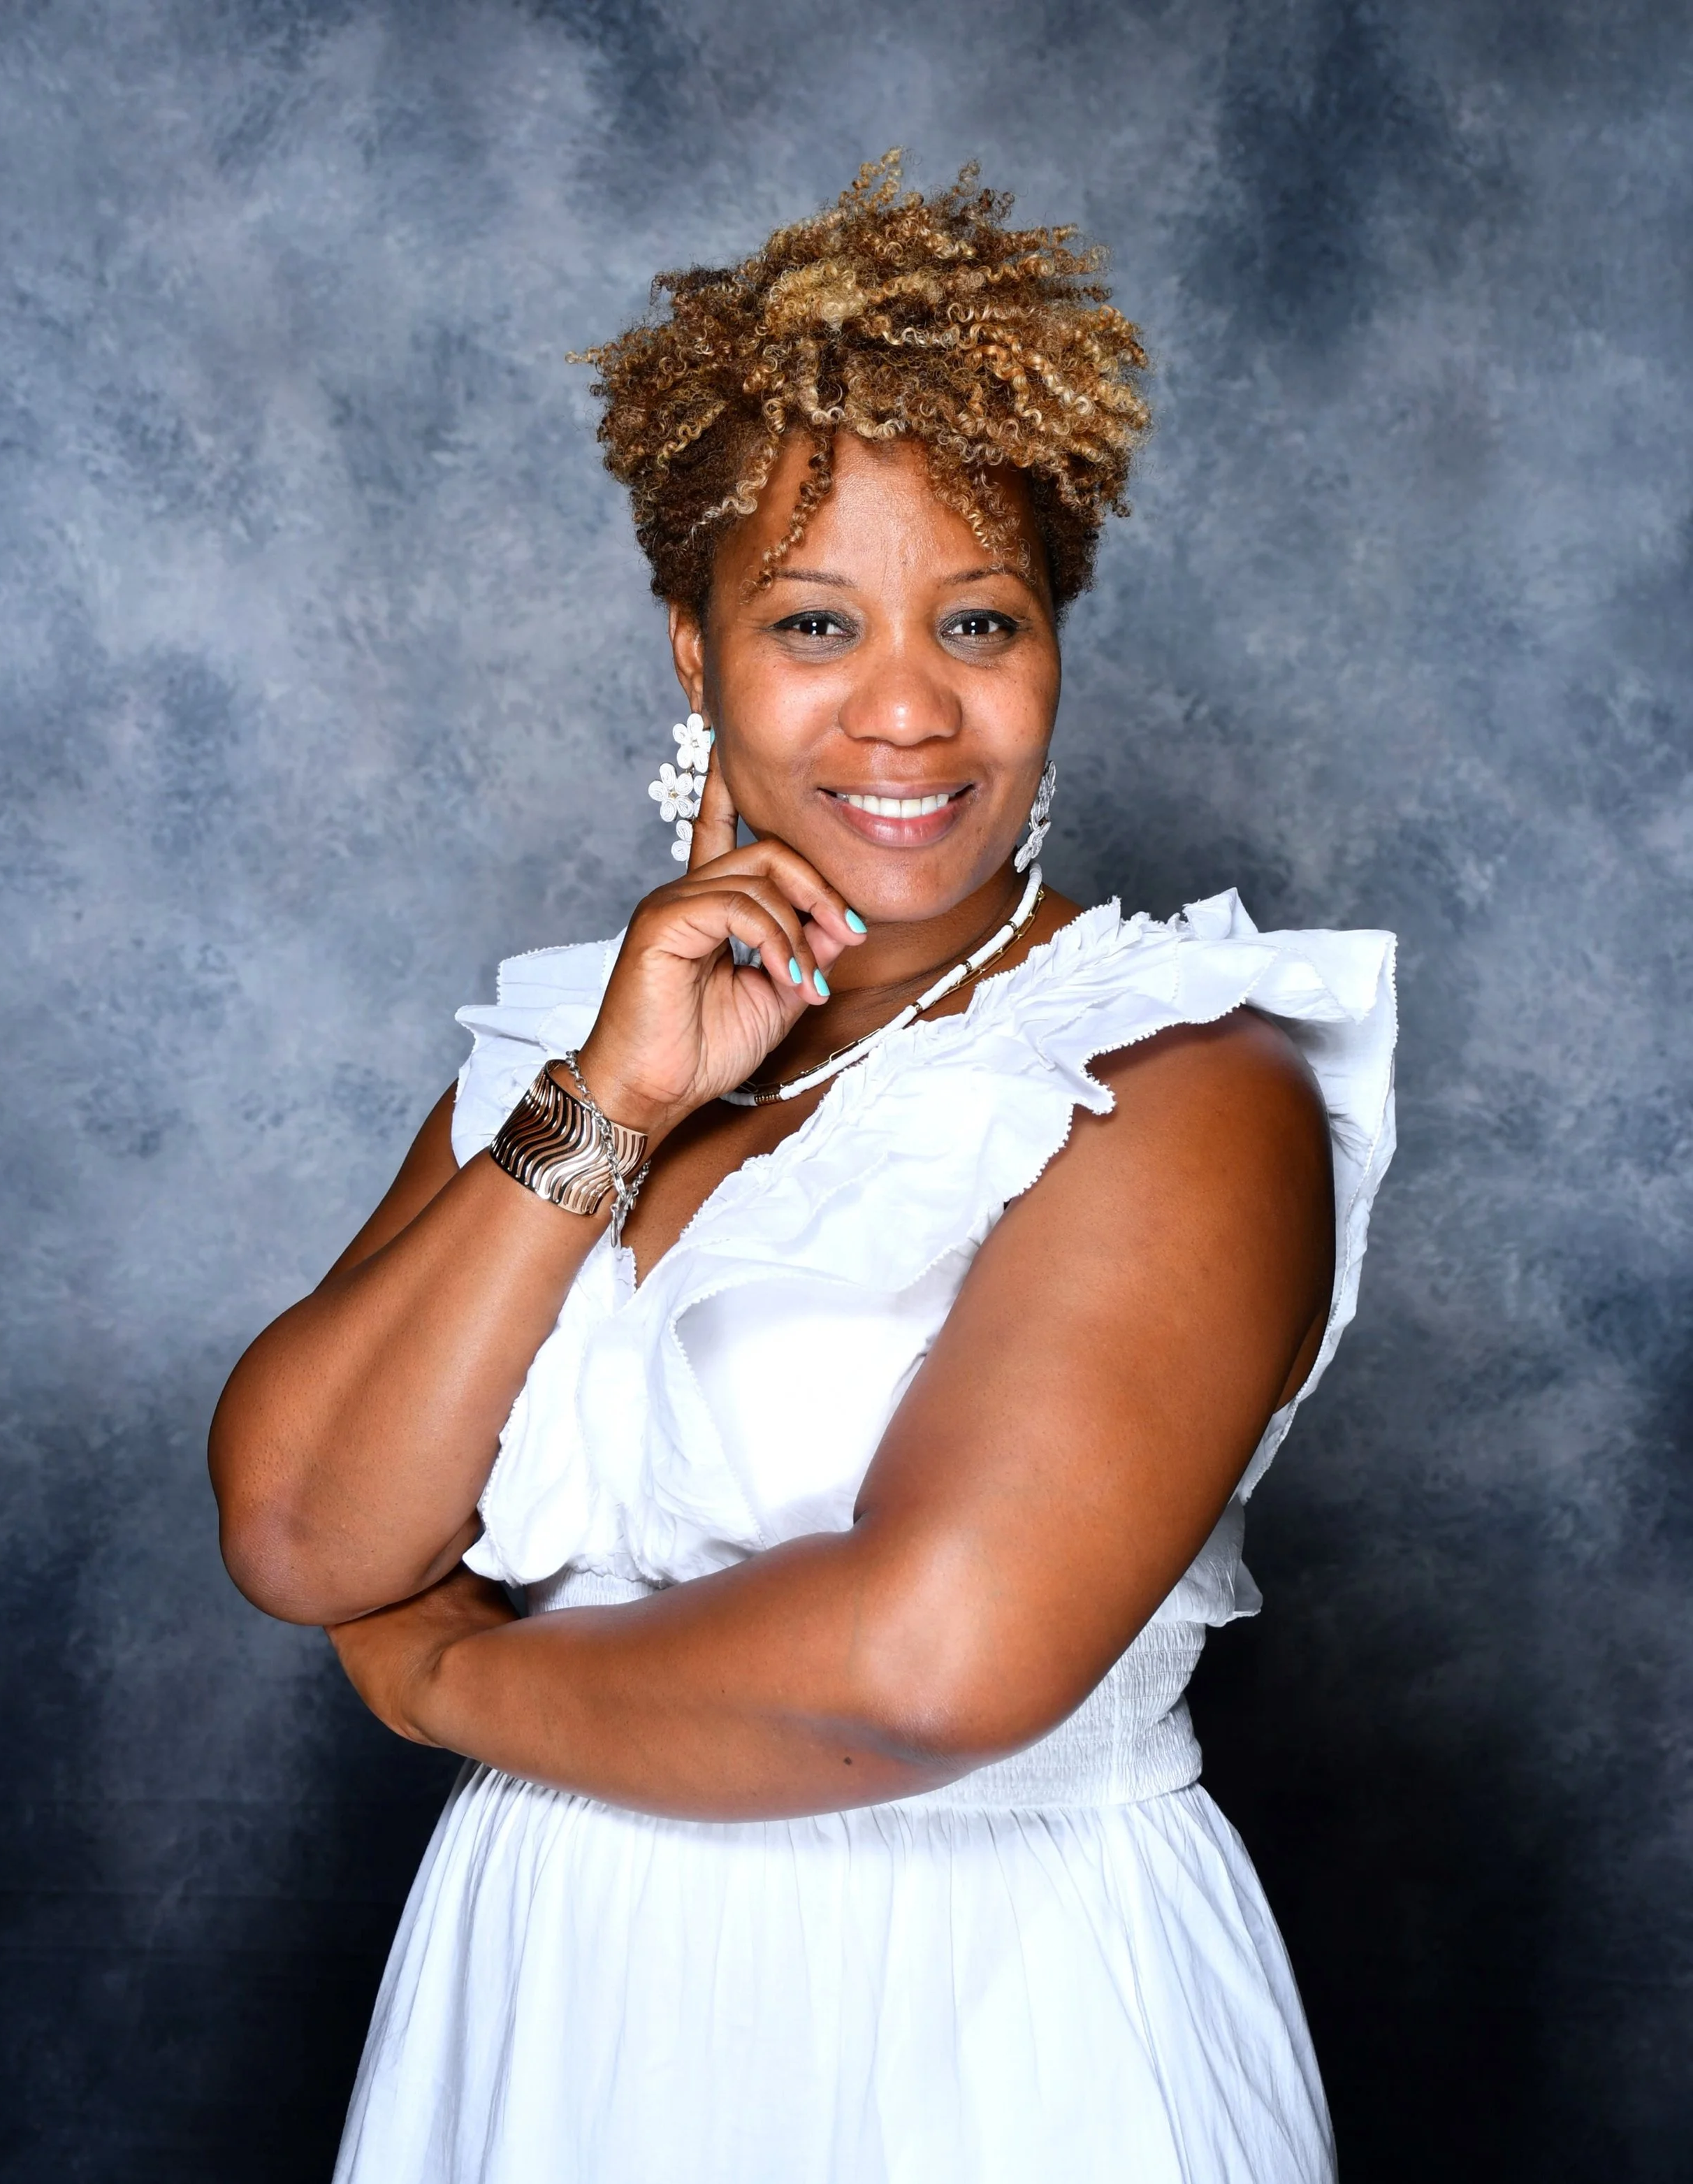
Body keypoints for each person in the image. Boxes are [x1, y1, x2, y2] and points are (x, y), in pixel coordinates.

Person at [210, 157, 1397, 2183]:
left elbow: (934, 1660)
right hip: (558, 2006)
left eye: (981, 619)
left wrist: (447, 1681)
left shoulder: (1179, 1073)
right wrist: (615, 1096)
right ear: (695, 653)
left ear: (1054, 645)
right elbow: (311, 1528)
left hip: (987, 2023)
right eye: (815, 620)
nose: (909, 707)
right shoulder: (589, 1036)